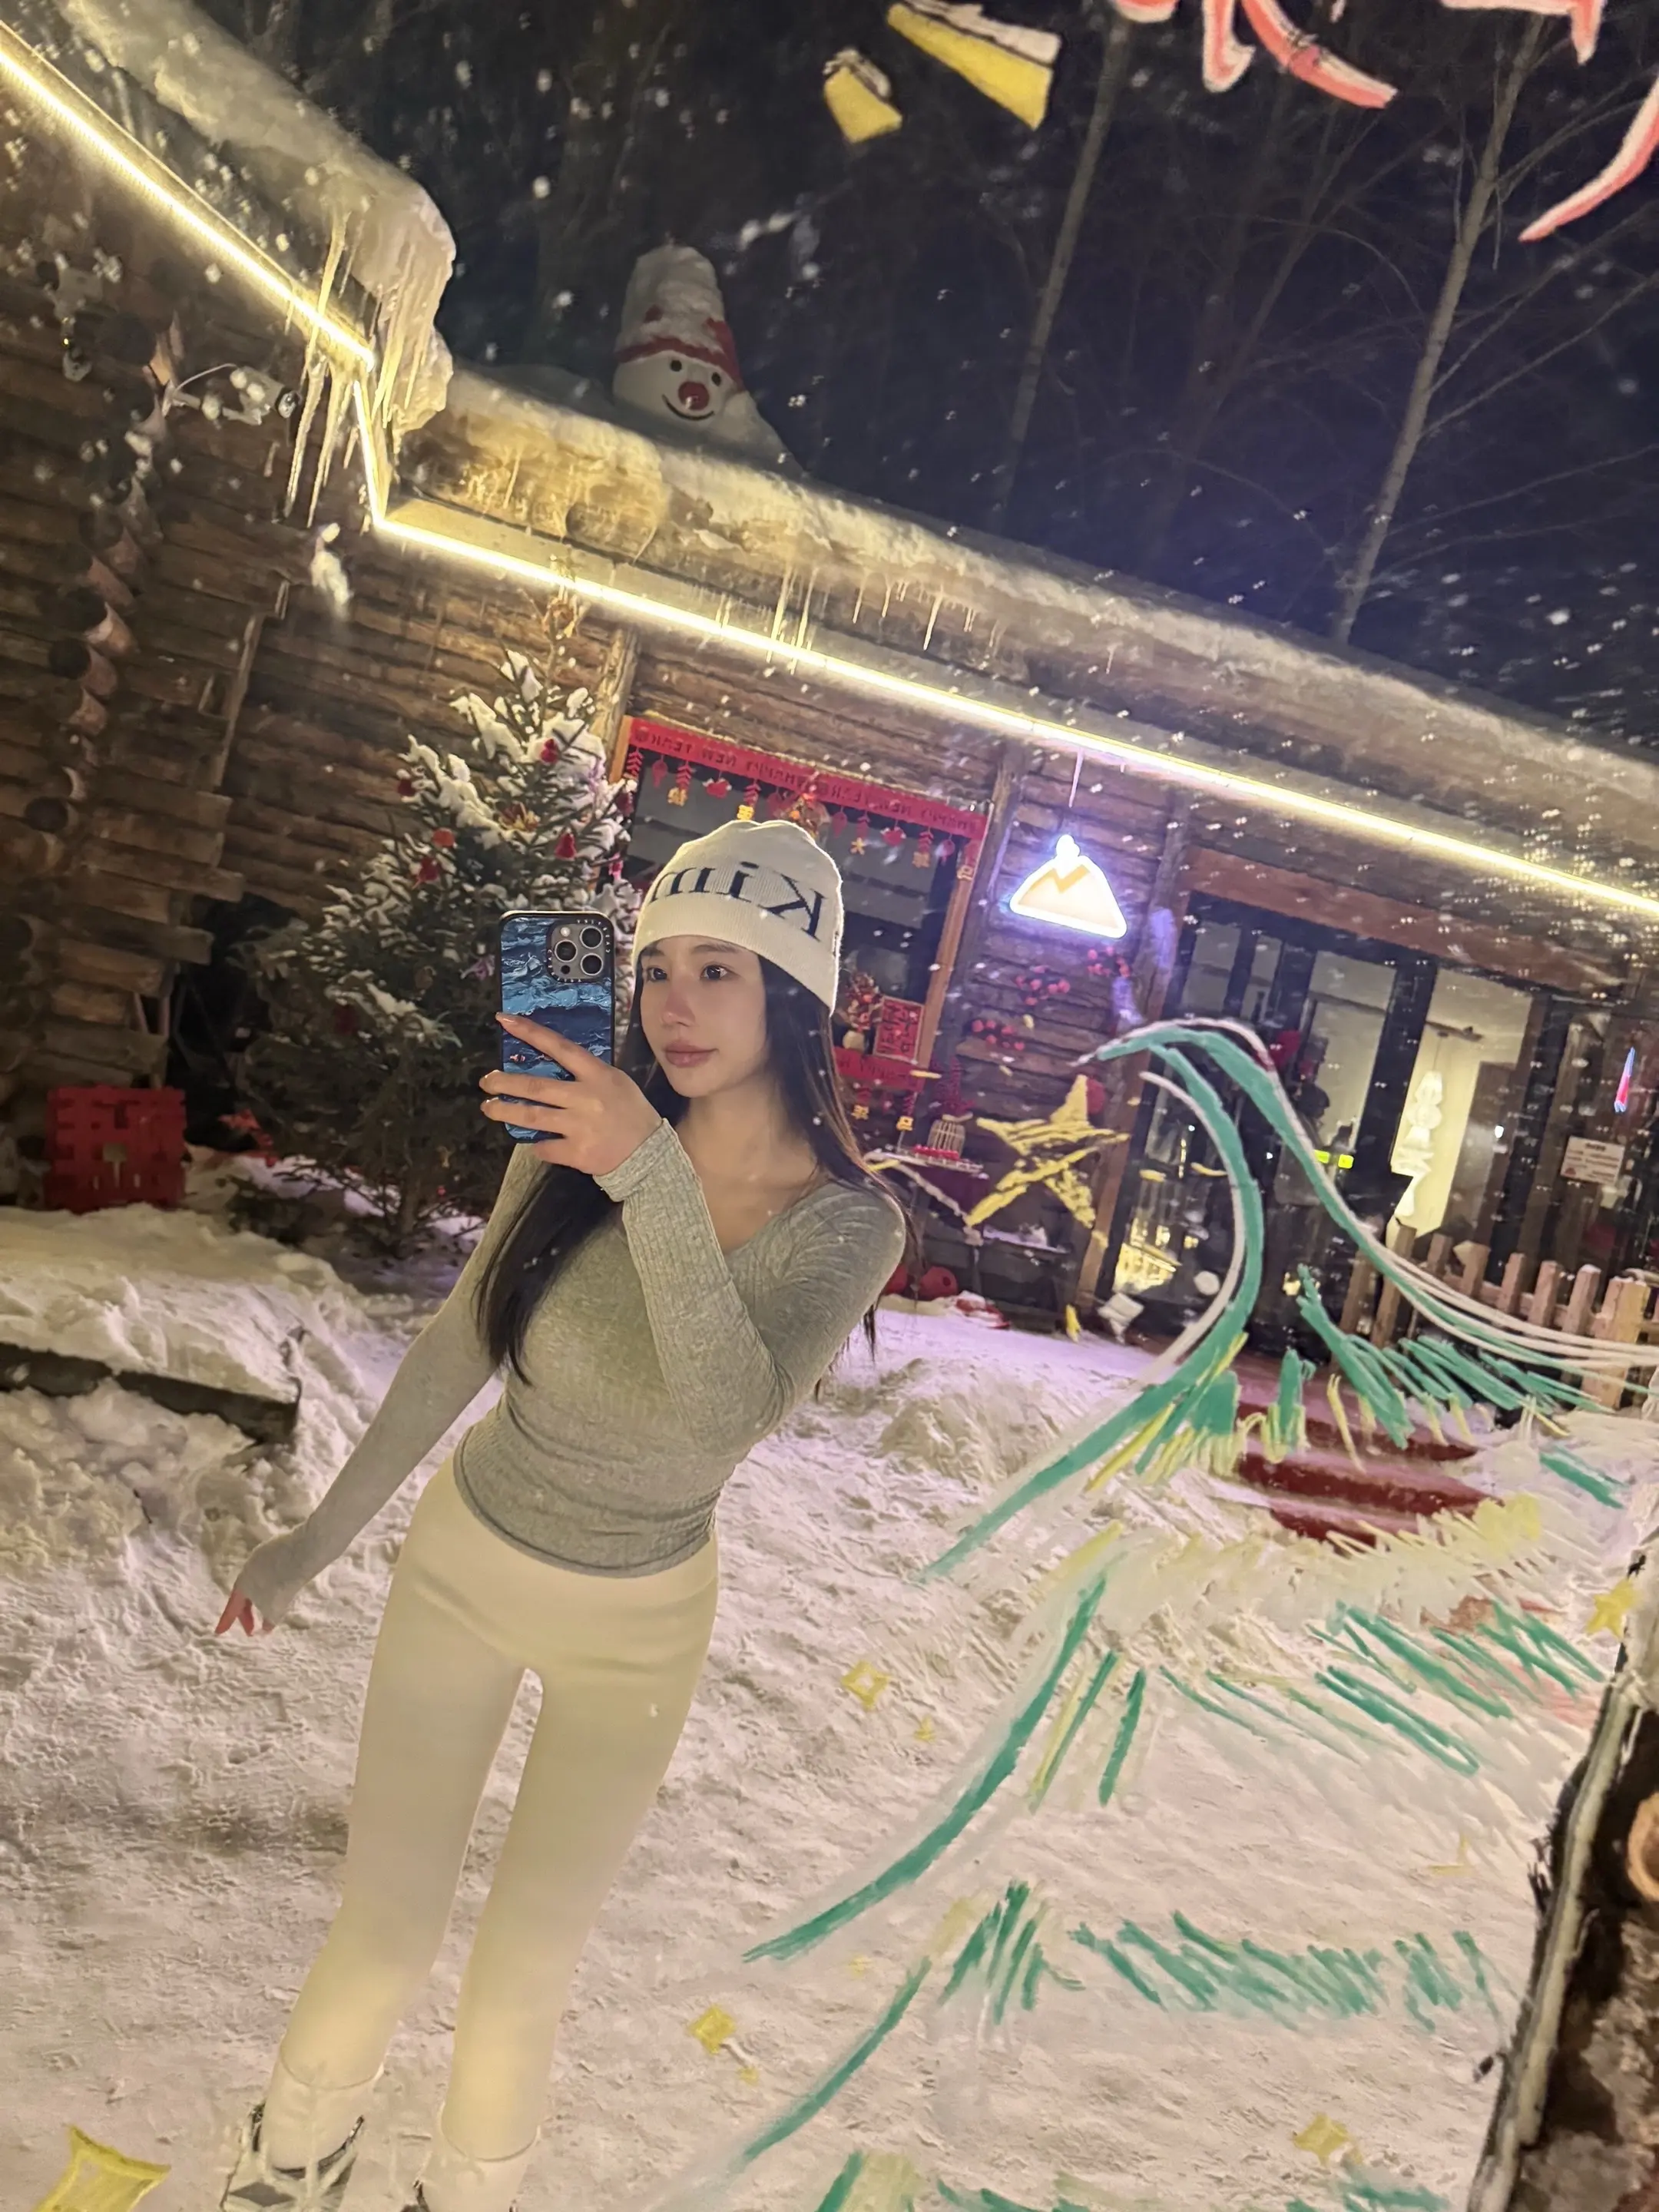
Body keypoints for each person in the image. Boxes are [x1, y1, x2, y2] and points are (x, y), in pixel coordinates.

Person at [214, 819, 907, 2212]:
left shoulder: (846, 1225)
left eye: (720, 969)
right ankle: (283, 2175)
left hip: (636, 1627)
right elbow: (461, 1343)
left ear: (796, 996)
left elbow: (721, 1412)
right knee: (384, 1933)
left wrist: (651, 1172)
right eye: (657, 967)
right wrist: (310, 1542)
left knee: (520, 1976)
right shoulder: (576, 1135)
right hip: (467, 1566)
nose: (674, 1004)